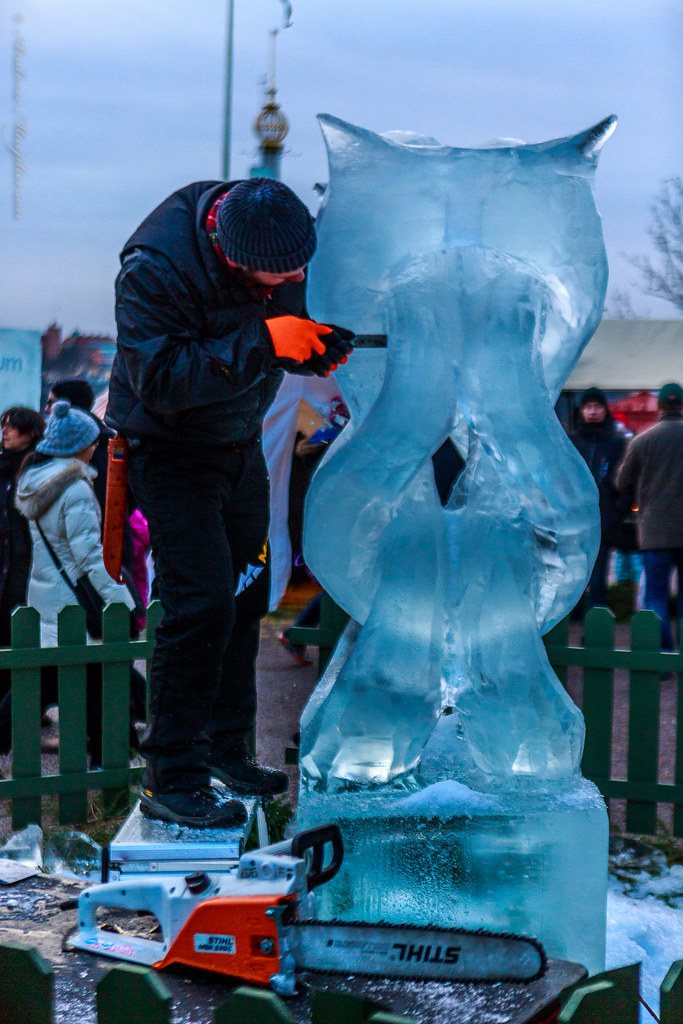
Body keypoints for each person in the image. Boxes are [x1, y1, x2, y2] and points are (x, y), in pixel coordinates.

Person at [106, 177, 355, 828]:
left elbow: (285, 323)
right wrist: (270, 342)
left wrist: (316, 338)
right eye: (275, 278)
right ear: (226, 252)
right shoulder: (154, 271)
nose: (292, 281)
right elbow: (159, 382)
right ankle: (172, 773)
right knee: (201, 604)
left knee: (244, 594)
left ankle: (224, 748)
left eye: (298, 269)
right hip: (168, 447)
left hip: (236, 441)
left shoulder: (275, 232)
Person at [0, 400, 138, 763]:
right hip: (72, 603)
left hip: (48, 598)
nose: (97, 448)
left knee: (50, 684)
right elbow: (89, 558)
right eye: (93, 442)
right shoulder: (74, 488)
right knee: (69, 683)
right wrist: (120, 599)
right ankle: (109, 757)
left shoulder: (36, 480)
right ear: (78, 446)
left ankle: (109, 754)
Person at [616, 382, 683, 651]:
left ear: (659, 406)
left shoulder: (642, 441)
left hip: (655, 531)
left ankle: (664, 655)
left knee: (656, 595)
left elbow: (622, 481)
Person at [570, 387, 634, 609]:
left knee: (598, 578)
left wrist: (616, 512)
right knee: (574, 576)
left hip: (603, 521)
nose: (593, 411)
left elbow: (627, 481)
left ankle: (594, 626)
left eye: (597, 407)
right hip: (576, 520)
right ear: (582, 410)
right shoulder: (573, 441)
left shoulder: (617, 443)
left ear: (605, 409)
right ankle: (573, 620)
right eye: (588, 407)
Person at [0, 407, 46, 699]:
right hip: (4, 555)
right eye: (3, 425)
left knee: (17, 626)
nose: (5, 431)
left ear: (29, 433)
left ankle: (16, 703)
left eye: (11, 427)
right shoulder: (2, 466)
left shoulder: (36, 469)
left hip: (23, 557)